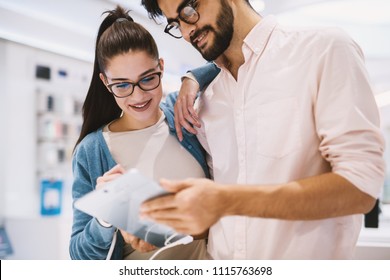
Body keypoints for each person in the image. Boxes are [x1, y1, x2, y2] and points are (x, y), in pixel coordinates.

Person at [139, 0, 386, 259]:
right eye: (175, 24)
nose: (188, 32)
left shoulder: (323, 51)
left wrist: (226, 200)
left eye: (189, 9)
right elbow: (217, 218)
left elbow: (361, 188)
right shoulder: (207, 100)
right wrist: (159, 221)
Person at [69, 6, 219, 260]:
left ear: (161, 67)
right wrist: (105, 217)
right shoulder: (92, 151)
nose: (138, 96)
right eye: (123, 85)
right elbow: (79, 255)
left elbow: (223, 61)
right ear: (106, 83)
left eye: (148, 78)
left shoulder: (180, 112)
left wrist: (191, 79)